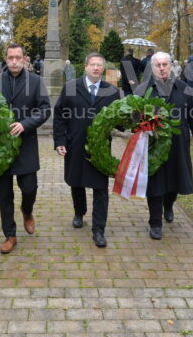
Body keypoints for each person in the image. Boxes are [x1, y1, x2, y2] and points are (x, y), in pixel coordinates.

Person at [134, 52, 193, 239]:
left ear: (171, 66)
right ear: (152, 67)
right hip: (153, 144)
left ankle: (169, 204)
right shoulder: (143, 90)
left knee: (176, 181)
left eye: (165, 64)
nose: (161, 68)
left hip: (178, 144)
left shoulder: (184, 88)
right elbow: (133, 117)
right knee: (155, 184)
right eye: (157, 65)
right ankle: (155, 223)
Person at [53, 53, 120, 248]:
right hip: (75, 144)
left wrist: (138, 120)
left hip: (100, 149)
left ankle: (98, 229)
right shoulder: (71, 88)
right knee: (77, 182)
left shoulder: (112, 91)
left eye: (100, 65)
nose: (96, 68)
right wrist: (59, 140)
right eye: (93, 64)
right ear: (85, 66)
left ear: (103, 68)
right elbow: (59, 116)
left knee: (100, 188)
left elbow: (120, 119)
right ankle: (79, 212)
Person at [0, 44, 51, 254]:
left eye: (18, 57)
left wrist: (25, 124)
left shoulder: (35, 82)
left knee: (29, 188)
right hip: (1, 148)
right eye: (10, 58)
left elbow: (44, 110)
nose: (14, 61)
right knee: (4, 194)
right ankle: (10, 234)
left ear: (24, 59)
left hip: (26, 145)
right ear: (5, 59)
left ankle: (27, 211)